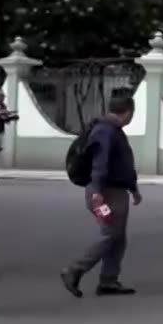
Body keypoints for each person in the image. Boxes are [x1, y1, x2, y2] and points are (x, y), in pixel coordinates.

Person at [61, 94, 142, 297]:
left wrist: (133, 188)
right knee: (110, 235)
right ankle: (74, 270)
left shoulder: (113, 130)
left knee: (118, 238)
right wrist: (97, 192)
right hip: (106, 192)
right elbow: (100, 163)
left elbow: (121, 163)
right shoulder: (105, 131)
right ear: (129, 112)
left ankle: (109, 280)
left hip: (115, 190)